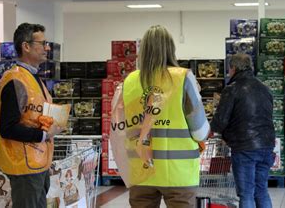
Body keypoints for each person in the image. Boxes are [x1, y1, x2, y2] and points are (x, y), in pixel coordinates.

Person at [111, 25, 210, 208]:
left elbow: (119, 128)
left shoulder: (130, 81)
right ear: (170, 48)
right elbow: (199, 131)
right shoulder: (182, 78)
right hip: (178, 172)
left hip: (141, 168)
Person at [0, 23, 63, 208]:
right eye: (43, 43)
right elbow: (7, 128)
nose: (47, 48)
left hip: (38, 163)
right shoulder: (15, 80)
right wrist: (43, 134)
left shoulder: (34, 78)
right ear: (26, 46)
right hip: (23, 165)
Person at [210, 53, 275, 208]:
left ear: (233, 68)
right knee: (261, 190)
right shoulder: (264, 88)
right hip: (267, 145)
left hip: (245, 147)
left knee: (246, 193)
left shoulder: (232, 89)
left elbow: (220, 121)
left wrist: (212, 132)